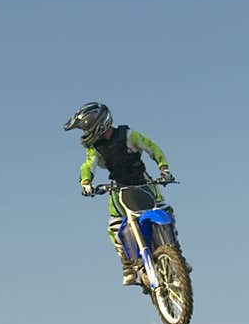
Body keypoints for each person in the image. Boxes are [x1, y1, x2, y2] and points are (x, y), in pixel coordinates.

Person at [63, 101, 185, 285]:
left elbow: (151, 147)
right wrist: (86, 181)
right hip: (118, 189)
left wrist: (164, 169)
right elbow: (89, 165)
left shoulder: (128, 135)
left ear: (98, 124)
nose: (86, 135)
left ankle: (177, 254)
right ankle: (128, 265)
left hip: (144, 183)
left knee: (166, 212)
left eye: (87, 129)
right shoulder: (95, 148)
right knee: (115, 226)